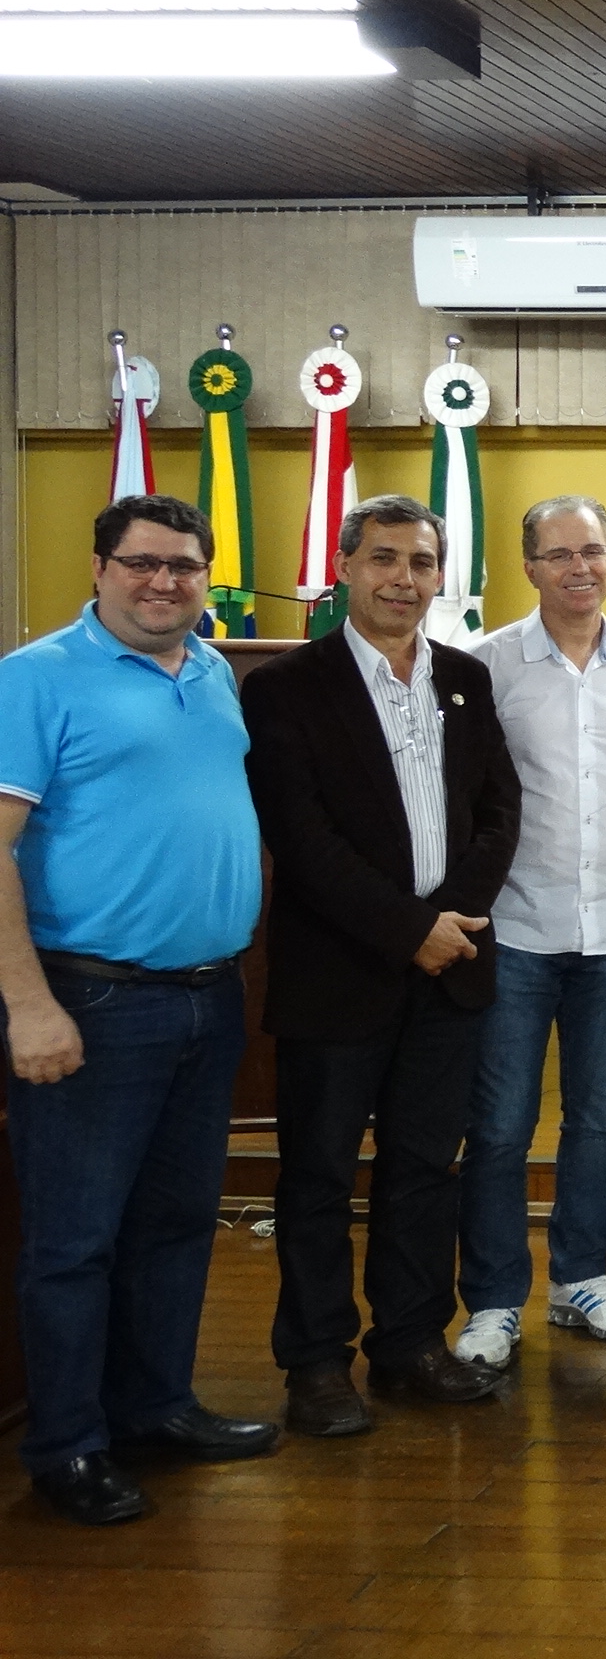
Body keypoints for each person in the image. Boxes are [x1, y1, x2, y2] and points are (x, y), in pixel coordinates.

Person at [0, 496, 276, 1525]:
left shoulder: (209, 670)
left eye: (184, 567)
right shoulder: (33, 679)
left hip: (208, 998)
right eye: (143, 564)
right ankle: (67, 1447)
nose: (165, 583)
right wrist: (28, 1007)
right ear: (100, 566)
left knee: (171, 1226)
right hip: (90, 1002)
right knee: (75, 1242)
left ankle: (155, 1408)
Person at [243, 494, 522, 1436]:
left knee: (422, 1169)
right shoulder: (286, 687)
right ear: (347, 568)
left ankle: (409, 1343)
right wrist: (409, 928)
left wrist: (453, 923)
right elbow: (303, 839)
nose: (405, 579)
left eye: (422, 563)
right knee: (318, 1175)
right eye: (386, 559)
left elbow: (498, 812)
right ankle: (317, 1364)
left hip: (451, 971)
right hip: (339, 974)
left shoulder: (464, 680)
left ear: (441, 576)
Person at [452, 497, 606, 1368]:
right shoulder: (483, 664)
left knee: (600, 1118)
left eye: (593, 551)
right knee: (501, 1125)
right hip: (512, 928)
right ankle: (495, 1300)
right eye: (558, 555)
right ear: (529, 567)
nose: (579, 568)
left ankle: (583, 1277)